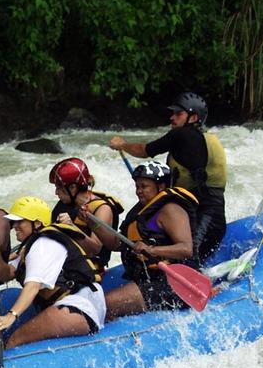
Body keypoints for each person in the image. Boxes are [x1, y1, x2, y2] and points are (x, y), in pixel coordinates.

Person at [109, 92, 226, 261]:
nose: (172, 117)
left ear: (193, 118)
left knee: (189, 258)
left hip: (207, 216)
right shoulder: (205, 138)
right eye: (173, 113)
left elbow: (145, 151)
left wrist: (122, 145)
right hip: (205, 214)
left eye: (178, 114)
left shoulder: (181, 135)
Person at [0, 196, 105, 349]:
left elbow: (33, 286)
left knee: (15, 339)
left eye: (20, 221)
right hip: (73, 305)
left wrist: (11, 316)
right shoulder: (29, 247)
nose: (15, 226)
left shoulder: (44, 243)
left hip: (80, 306)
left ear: (37, 223)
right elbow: (6, 274)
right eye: (14, 222)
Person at [104, 162, 199, 319]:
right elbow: (116, 244)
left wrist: (151, 250)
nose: (138, 191)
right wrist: (92, 223)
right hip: (150, 278)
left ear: (160, 187)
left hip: (175, 282)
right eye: (137, 186)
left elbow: (186, 249)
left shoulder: (171, 210)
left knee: (108, 303)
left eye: (144, 186)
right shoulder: (140, 212)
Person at [49, 157, 124, 276]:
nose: (56, 192)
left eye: (59, 188)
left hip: (89, 273)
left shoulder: (102, 208)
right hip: (64, 267)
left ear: (73, 188)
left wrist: (71, 228)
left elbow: (95, 249)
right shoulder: (64, 203)